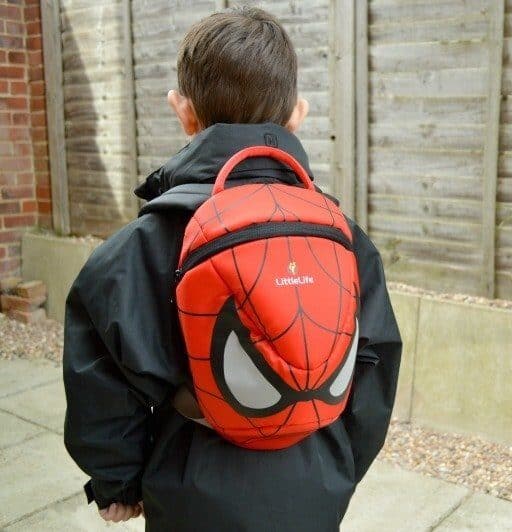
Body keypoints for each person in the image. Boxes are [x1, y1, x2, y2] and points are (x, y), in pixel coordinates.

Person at [62, 7, 401, 531]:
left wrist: (119, 483)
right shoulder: (345, 240)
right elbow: (375, 369)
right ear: (297, 116)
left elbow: (99, 383)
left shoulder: (136, 249)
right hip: (314, 486)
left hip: (190, 492)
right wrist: (340, 470)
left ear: (184, 112)